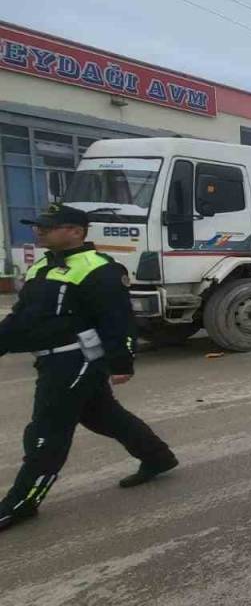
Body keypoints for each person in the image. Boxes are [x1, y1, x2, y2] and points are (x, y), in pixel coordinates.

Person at [0, 205, 177, 533]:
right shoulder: (41, 266)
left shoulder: (99, 268)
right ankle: (157, 456)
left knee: (46, 431)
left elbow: (117, 319)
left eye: (48, 227)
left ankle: (21, 502)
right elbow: (22, 317)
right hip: (50, 359)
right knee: (103, 416)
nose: (39, 231)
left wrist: (122, 361)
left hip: (77, 360)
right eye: (38, 226)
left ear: (76, 232)